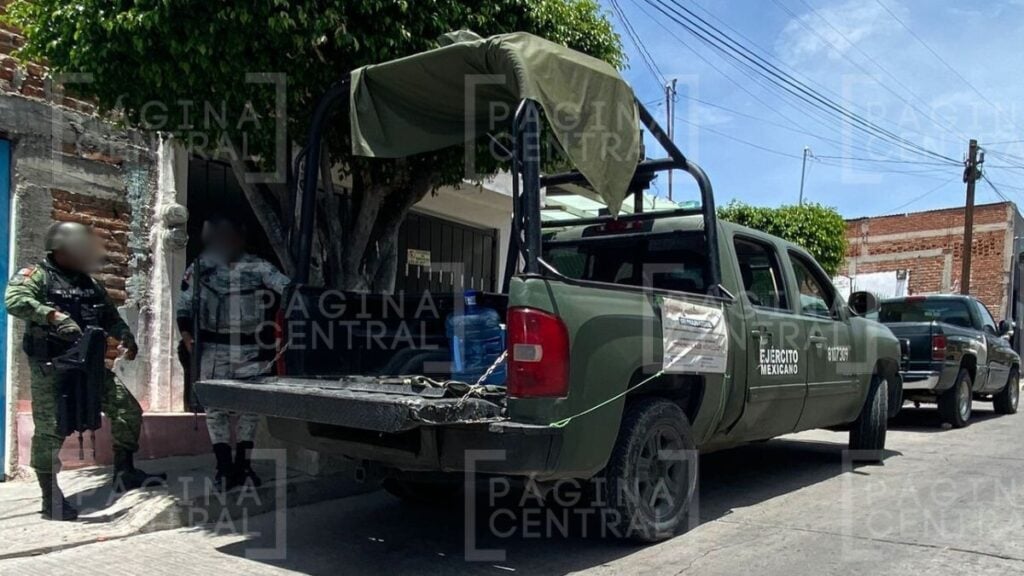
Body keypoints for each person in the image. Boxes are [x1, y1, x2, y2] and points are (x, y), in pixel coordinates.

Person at [5, 222, 165, 521]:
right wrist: (51, 315)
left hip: (89, 366)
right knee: (50, 430)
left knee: (127, 410)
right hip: (52, 367)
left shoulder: (88, 283)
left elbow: (109, 316)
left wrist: (125, 336)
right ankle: (50, 497)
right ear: (62, 249)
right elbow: (14, 301)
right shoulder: (36, 275)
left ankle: (124, 471)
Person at [176, 216, 290, 491]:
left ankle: (243, 465)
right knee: (215, 410)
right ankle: (223, 467)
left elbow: (286, 287)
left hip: (249, 348)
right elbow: (183, 303)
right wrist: (187, 337)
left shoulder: (258, 266)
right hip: (212, 349)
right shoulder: (201, 266)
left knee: (250, 408)